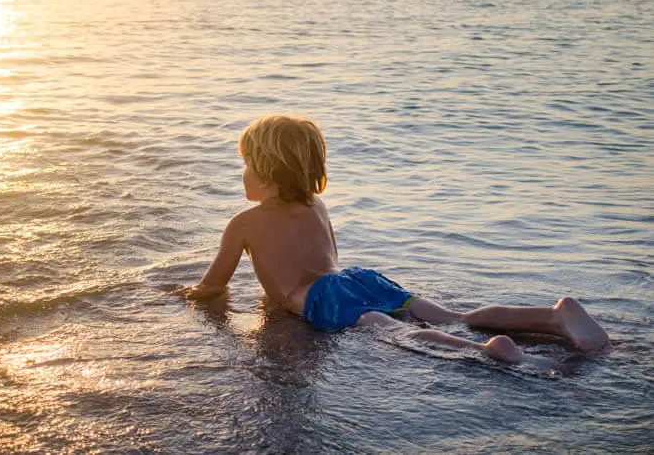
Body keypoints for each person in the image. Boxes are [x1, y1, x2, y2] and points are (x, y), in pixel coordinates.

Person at [185, 115, 609, 363]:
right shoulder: (317, 204)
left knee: (382, 327)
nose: (241, 173)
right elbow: (326, 257)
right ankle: (554, 316)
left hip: (320, 297)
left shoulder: (245, 221)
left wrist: (185, 295)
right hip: (360, 279)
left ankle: (484, 350)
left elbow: (214, 285)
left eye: (243, 164)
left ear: (262, 169)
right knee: (447, 313)